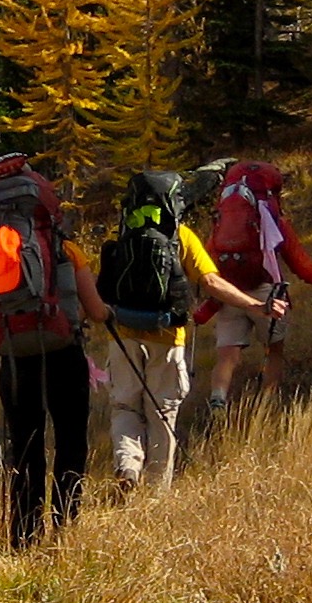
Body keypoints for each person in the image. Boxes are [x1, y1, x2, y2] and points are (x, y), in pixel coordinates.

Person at [0, 152, 112, 548]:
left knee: (25, 447)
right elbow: (96, 312)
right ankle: (66, 526)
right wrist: (104, 311)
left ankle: (24, 535)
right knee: (70, 440)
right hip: (63, 351)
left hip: (14, 357)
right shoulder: (66, 250)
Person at [93, 168, 267, 489]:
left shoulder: (121, 234)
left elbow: (101, 288)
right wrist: (253, 304)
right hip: (168, 336)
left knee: (125, 407)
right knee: (162, 412)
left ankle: (128, 466)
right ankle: (157, 491)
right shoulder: (181, 236)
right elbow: (211, 282)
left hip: (123, 334)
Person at [199, 160, 312, 415]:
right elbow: (300, 265)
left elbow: (209, 259)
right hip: (268, 294)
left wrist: (213, 298)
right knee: (273, 351)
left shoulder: (222, 219)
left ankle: (217, 400)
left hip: (230, 294)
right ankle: (266, 406)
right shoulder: (273, 220)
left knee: (227, 356)